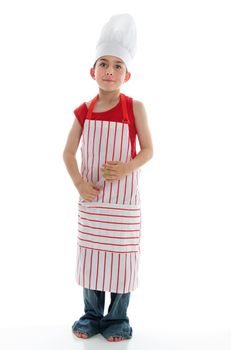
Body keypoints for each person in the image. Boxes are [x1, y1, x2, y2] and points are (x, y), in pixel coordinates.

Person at [63, 13, 153, 342]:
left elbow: (148, 151)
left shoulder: (134, 108)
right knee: (92, 259)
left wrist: (127, 167)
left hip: (123, 204)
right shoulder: (84, 111)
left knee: (121, 262)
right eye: (104, 64)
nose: (110, 71)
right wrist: (79, 184)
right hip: (92, 200)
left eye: (117, 66)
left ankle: (118, 318)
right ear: (92, 71)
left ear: (127, 74)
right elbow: (68, 153)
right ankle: (91, 314)